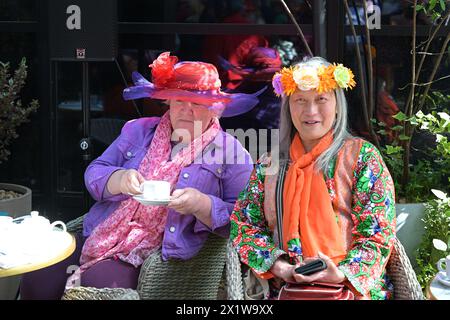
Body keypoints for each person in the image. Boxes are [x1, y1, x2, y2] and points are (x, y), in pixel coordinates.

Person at [20, 52, 257, 299]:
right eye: (178, 101)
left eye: (197, 103)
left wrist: (202, 205)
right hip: (101, 234)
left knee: (97, 285)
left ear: (215, 109)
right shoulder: (139, 130)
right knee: (38, 275)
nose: (186, 110)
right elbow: (95, 172)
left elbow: (244, 220)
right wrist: (119, 179)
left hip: (159, 254)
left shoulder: (231, 152)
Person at [230, 57, 397, 300]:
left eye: (321, 99)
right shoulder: (270, 165)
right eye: (300, 100)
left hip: (351, 291)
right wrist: (281, 267)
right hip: (286, 291)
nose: (311, 111)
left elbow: (378, 233)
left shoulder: (361, 158)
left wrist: (340, 274)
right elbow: (243, 225)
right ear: (288, 106)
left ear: (337, 104)